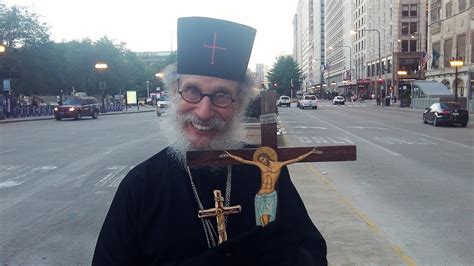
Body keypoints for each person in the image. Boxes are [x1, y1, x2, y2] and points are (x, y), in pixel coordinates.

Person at [92, 16, 327, 266]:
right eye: (192, 91)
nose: (204, 112)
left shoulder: (264, 168)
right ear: (174, 93)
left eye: (222, 95)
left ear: (240, 103)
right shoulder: (140, 186)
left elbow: (311, 250)